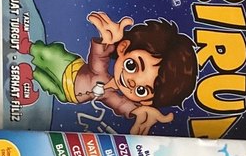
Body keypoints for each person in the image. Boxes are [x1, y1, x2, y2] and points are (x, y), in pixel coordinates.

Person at [16, 10, 197, 134]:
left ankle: (30, 74)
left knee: (48, 85)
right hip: (68, 67)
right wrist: (107, 42)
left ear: (146, 101)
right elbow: (99, 58)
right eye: (132, 66)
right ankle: (28, 46)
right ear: (123, 48)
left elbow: (120, 104)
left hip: (69, 95)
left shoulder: (109, 94)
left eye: (141, 90)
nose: (131, 82)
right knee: (50, 53)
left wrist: (136, 112)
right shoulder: (101, 73)